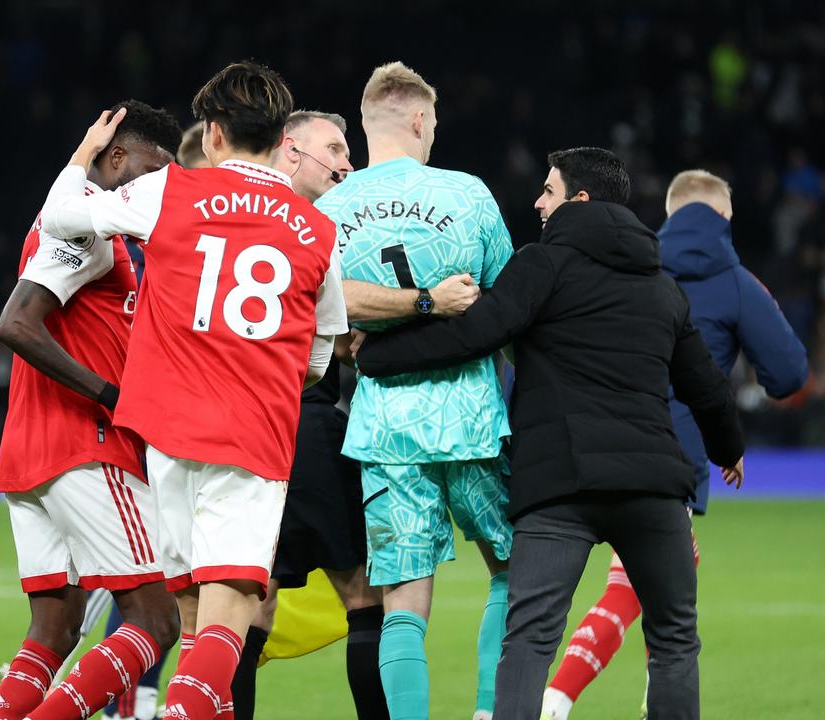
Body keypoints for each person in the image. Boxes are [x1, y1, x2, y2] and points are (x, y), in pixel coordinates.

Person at [354, 147, 746, 720]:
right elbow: (706, 386)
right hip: (652, 487)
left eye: (549, 190)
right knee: (674, 640)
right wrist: (728, 448)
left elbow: (474, 335)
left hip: (558, 489)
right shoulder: (662, 286)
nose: (538, 201)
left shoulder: (543, 266)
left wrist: (378, 356)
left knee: (531, 640)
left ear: (578, 200)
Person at [34, 61, 348, 720]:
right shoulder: (317, 230)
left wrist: (85, 155)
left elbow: (62, 217)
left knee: (188, 609)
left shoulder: (171, 192)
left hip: (167, 439)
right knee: (226, 623)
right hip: (251, 437)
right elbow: (321, 355)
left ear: (212, 135)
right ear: (282, 141)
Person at [542, 169, 808, 719]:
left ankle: (641, 697)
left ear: (669, 213)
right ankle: (558, 695)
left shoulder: (630, 263)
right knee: (646, 584)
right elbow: (787, 371)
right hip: (669, 459)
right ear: (724, 218)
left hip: (588, 442)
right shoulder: (734, 282)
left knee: (666, 573)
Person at [317, 62, 515, 720]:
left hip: (383, 424)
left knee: (403, 603)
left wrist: (359, 334)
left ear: (368, 123)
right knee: (514, 572)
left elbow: (322, 315)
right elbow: (510, 308)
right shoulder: (468, 195)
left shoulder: (328, 211)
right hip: (471, 415)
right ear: (422, 119)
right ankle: (492, 712)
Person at [0, 99, 183, 720]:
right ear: (115, 157)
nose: (156, 185)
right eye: (150, 169)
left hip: (32, 453)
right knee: (156, 619)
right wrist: (111, 395)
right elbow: (17, 324)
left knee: (56, 628)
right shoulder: (84, 232)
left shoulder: (77, 229)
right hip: (86, 447)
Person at [226, 109, 388, 720]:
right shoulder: (312, 229)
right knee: (362, 590)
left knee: (252, 597)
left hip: (241, 435)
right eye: (336, 149)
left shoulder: (236, 219)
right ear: (289, 151)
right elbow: (337, 339)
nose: (348, 164)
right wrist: (419, 304)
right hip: (306, 424)